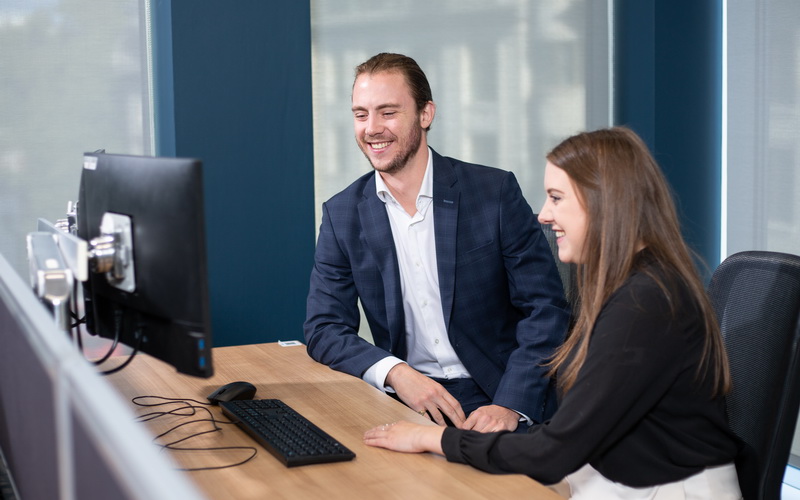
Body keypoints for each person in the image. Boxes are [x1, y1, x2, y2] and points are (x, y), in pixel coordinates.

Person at [364, 127, 743, 499]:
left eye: (557, 198)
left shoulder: (644, 306)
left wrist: (431, 437)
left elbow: (554, 452)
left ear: (602, 200)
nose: (543, 215)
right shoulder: (636, 282)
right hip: (624, 474)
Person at [303, 53, 570, 433]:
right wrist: (396, 373)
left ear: (426, 114)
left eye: (388, 112)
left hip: (498, 390)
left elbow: (546, 310)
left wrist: (511, 404)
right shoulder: (342, 214)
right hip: (408, 396)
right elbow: (324, 327)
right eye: (361, 115)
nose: (371, 128)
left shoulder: (492, 193)